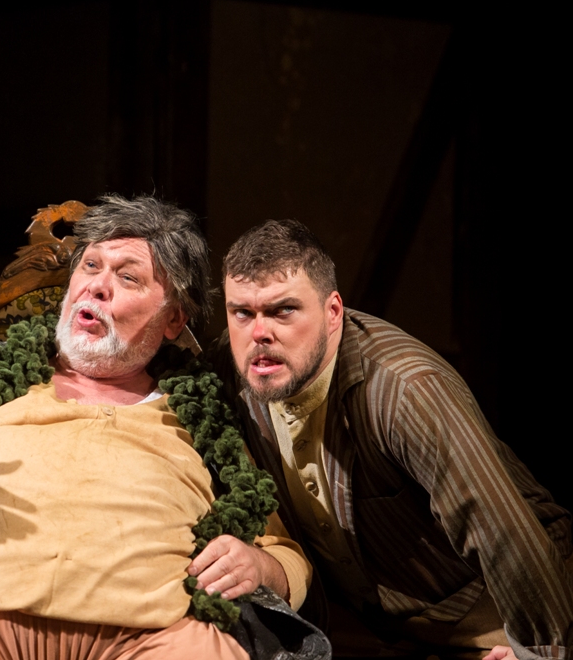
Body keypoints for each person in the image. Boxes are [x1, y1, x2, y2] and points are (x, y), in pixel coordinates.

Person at [0, 196, 325, 660]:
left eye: (128, 277)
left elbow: (285, 554)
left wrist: (261, 566)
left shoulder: (207, 415)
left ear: (173, 319)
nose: (97, 286)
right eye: (90, 266)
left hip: (150, 637)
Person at [221, 219, 573, 659]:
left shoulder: (405, 389)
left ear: (333, 312)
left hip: (497, 608)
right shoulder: (237, 369)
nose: (259, 332)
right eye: (243, 313)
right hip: (379, 626)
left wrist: (540, 652)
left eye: (283, 310)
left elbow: (502, 532)